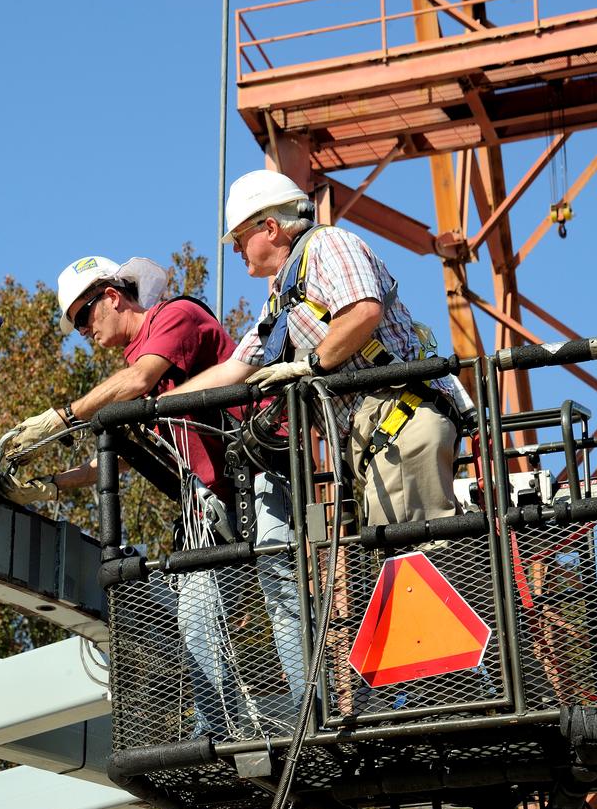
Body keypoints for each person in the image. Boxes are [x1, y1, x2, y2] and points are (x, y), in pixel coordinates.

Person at [164, 169, 464, 710]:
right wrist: (158, 406)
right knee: (401, 560)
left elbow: (363, 313)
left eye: (239, 241)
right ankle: (432, 689)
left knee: (422, 558)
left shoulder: (329, 245)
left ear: (271, 228)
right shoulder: (280, 298)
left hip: (400, 419)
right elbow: (236, 368)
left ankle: (452, 691)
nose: (238, 254)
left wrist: (308, 365)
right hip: (375, 442)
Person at [0, 254, 243, 738]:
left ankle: (237, 726)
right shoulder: (140, 360)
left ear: (112, 296)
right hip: (212, 505)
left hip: (253, 484)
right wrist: (52, 487)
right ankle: (222, 726)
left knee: (273, 602)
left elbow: (137, 383)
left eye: (84, 316)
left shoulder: (173, 319)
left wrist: (60, 418)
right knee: (191, 615)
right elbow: (125, 454)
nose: (83, 331)